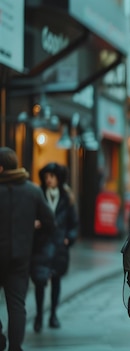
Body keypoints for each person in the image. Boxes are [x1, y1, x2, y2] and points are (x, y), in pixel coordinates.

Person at [0, 147, 56, 351]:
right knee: (17, 305)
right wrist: (35, 231)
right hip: (20, 257)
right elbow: (50, 222)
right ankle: (16, 347)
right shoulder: (32, 191)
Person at [30, 163, 78, 332]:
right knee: (39, 282)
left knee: (56, 281)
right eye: (46, 176)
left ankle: (53, 315)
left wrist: (68, 238)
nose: (48, 179)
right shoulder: (38, 194)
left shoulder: (67, 197)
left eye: (52, 176)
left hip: (58, 247)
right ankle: (38, 316)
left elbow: (73, 223)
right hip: (41, 245)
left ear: (58, 177)